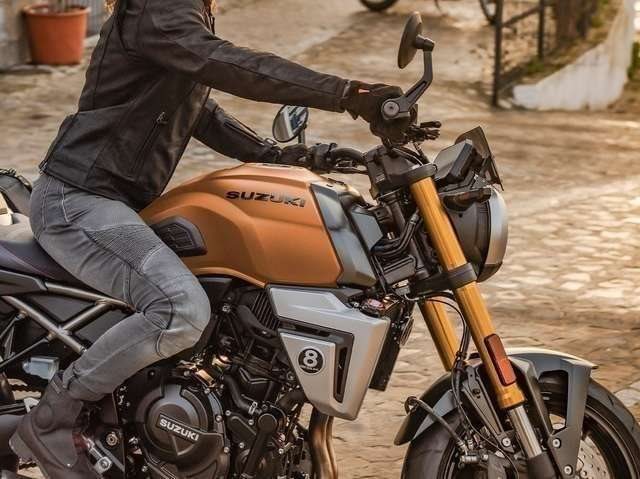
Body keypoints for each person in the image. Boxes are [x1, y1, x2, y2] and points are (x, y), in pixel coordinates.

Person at [9, 0, 411, 477]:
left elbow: (198, 109)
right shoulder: (159, 7)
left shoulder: (181, 11)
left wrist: (285, 157)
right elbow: (226, 63)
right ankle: (54, 417)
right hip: (78, 201)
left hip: (114, 203)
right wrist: (349, 94)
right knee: (180, 309)